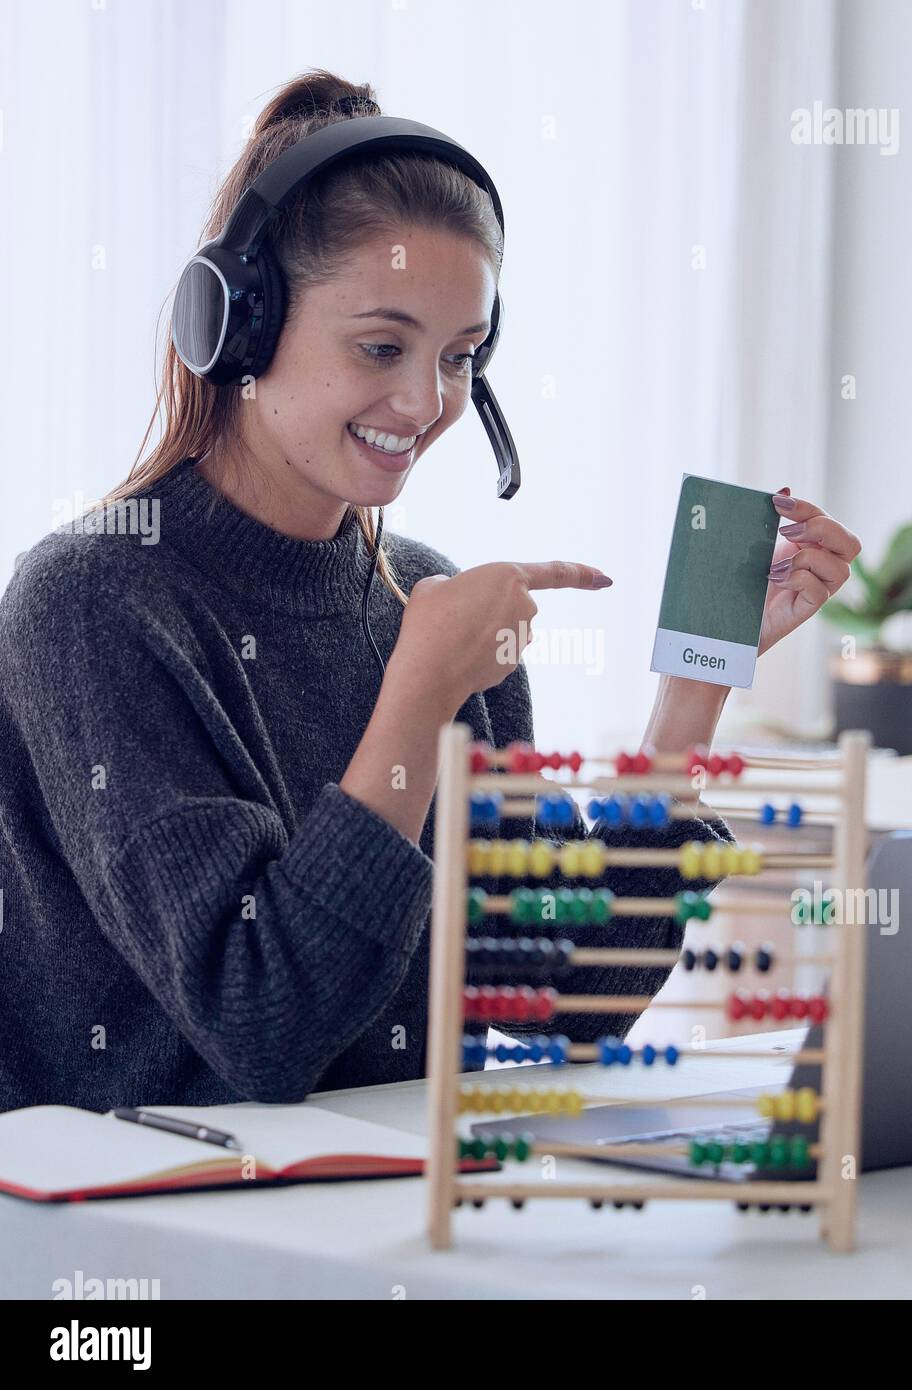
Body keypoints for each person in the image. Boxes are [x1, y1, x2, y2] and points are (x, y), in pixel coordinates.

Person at [0, 71, 860, 1113]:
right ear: (242, 328)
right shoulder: (92, 601)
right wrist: (416, 700)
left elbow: (562, 995)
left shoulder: (429, 596)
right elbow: (260, 1027)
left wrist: (697, 678)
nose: (424, 402)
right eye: (380, 347)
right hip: (153, 1225)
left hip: (381, 1220)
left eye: (459, 357)